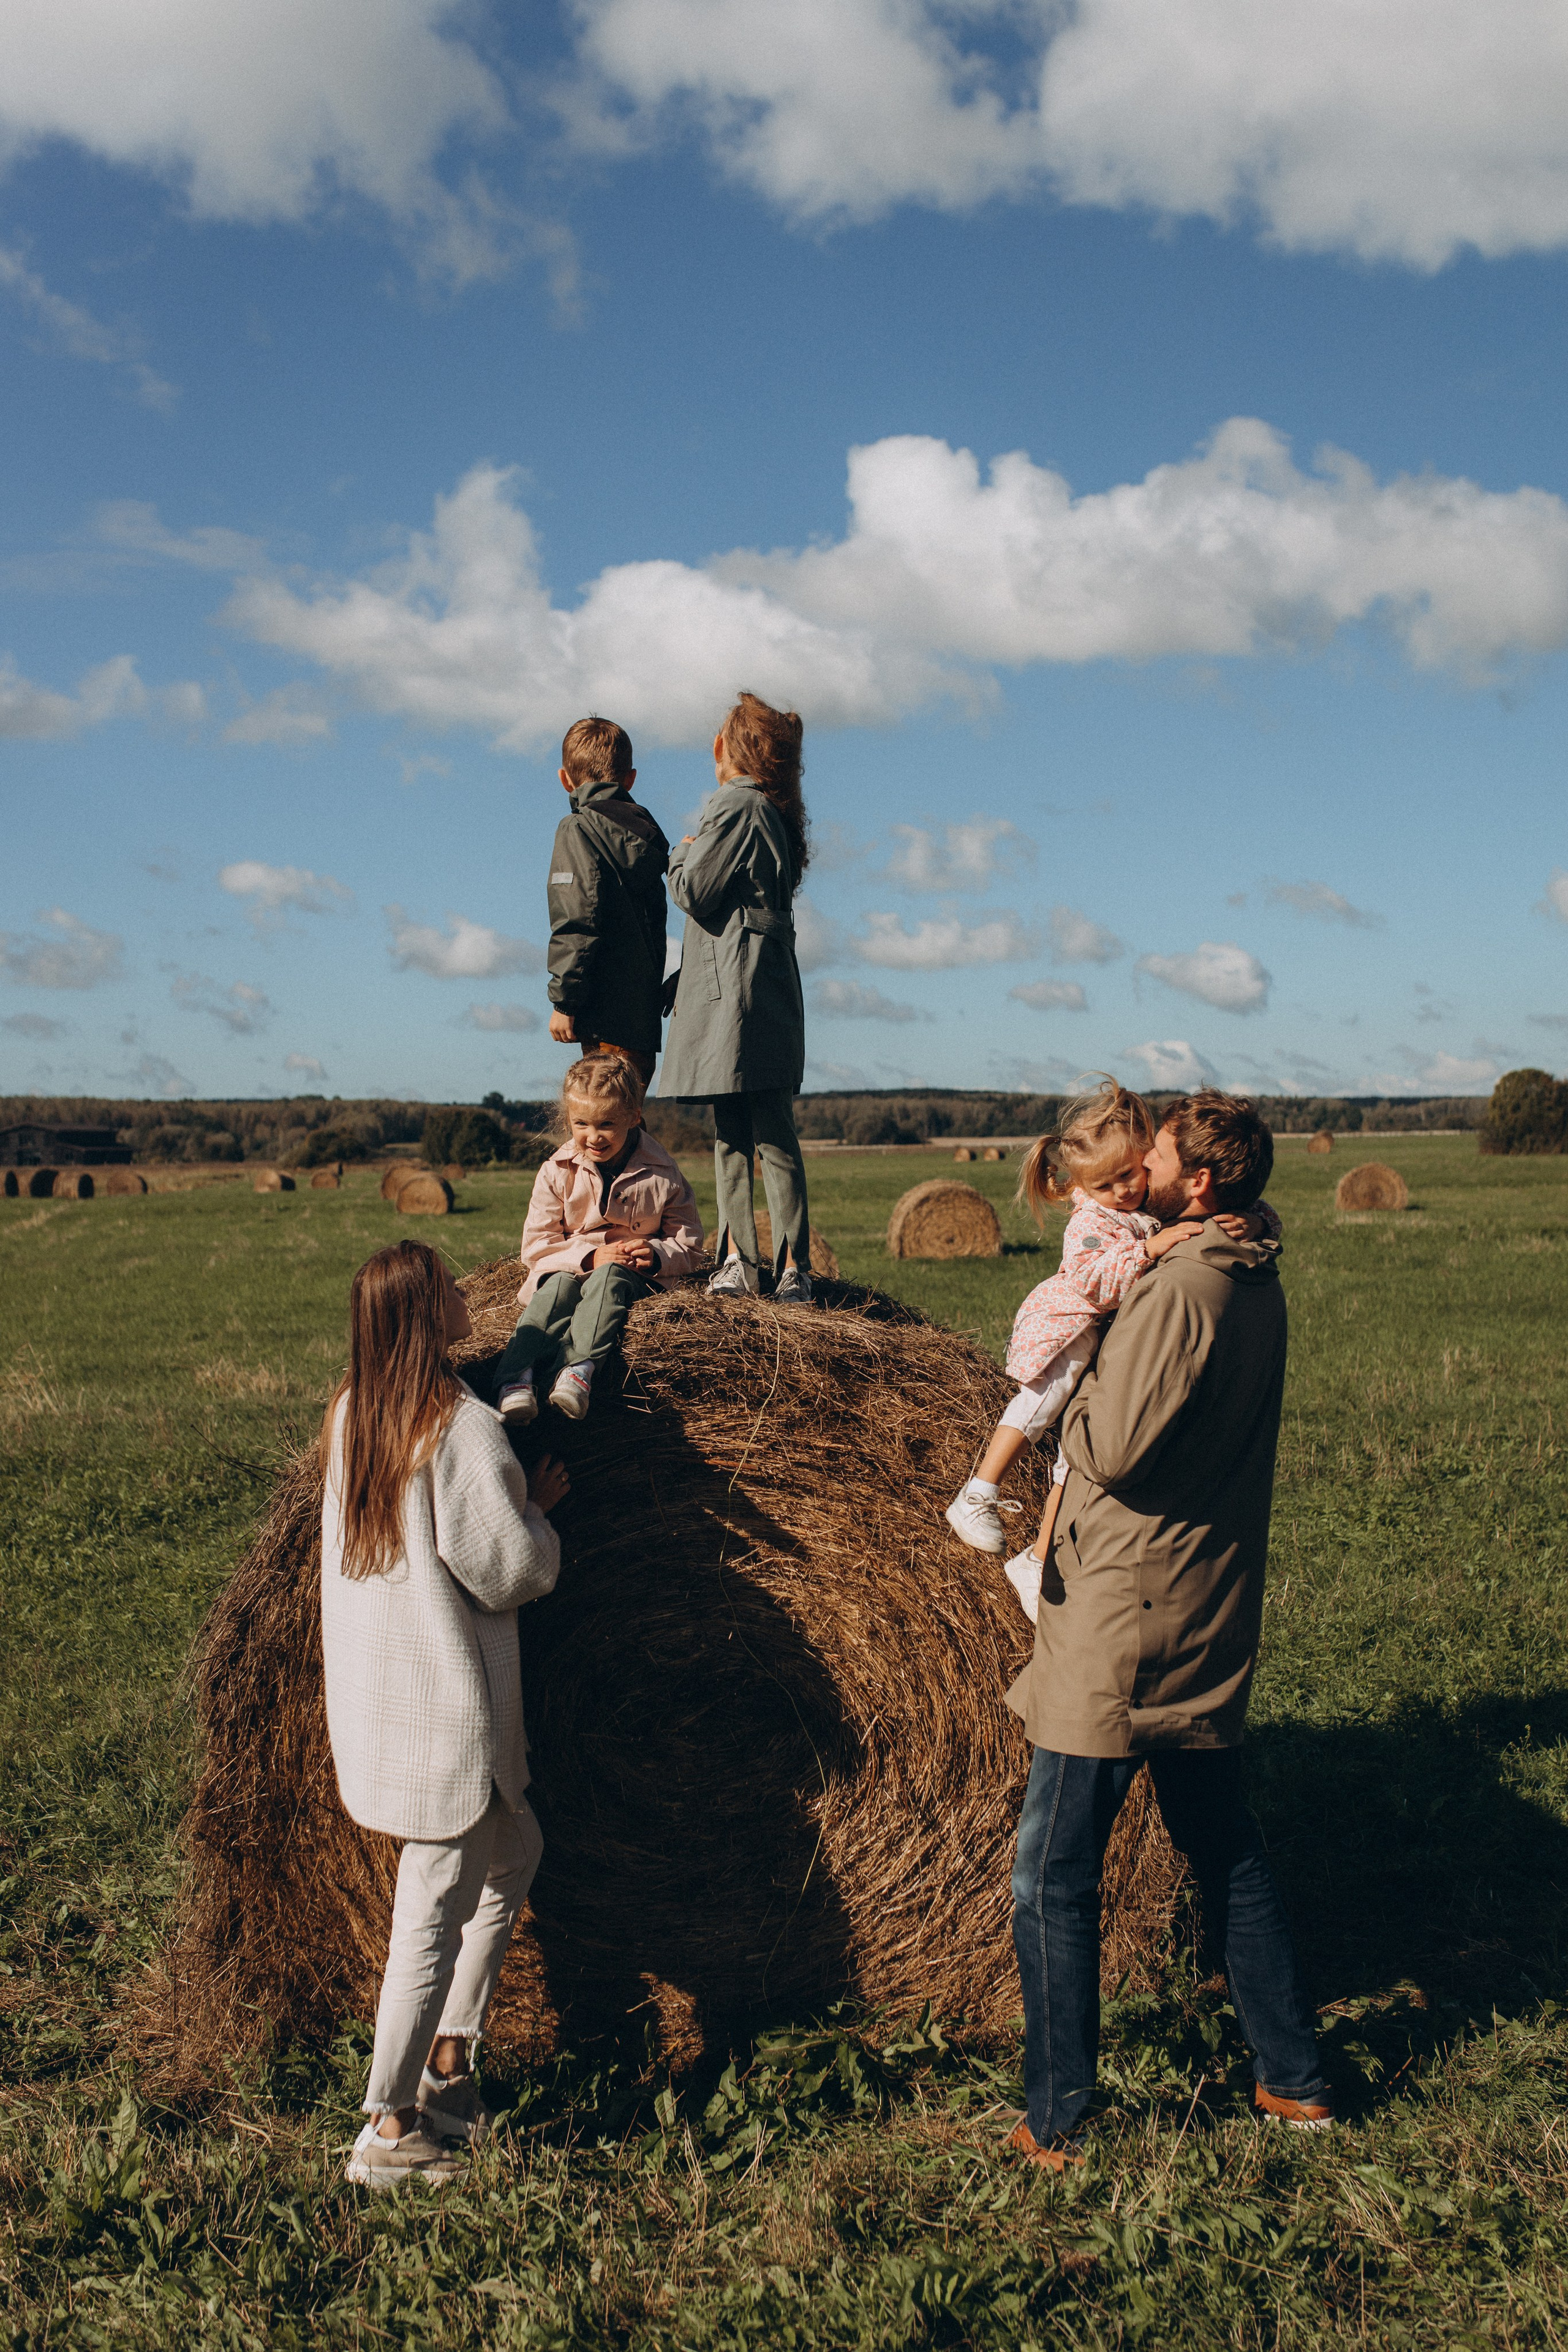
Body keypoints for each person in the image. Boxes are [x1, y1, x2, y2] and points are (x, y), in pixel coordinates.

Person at [1005, 1090, 1331, 2172]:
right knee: (1225, 1849)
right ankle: (1292, 2079)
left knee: (1052, 1871)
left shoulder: (1184, 1287)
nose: (1137, 1159)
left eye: (1157, 1151)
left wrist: (1081, 1369)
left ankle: (1057, 2114)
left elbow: (1112, 1448)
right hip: (1201, 1601)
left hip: (1126, 1620)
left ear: (1197, 1180)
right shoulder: (1248, 1273)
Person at [319, 1238, 570, 2190]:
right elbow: (510, 1570)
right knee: (428, 1919)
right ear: (428, 1318)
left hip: (387, 1702)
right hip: (451, 1710)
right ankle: (388, 2127)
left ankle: (451, 2068)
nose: (471, 1297)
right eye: (449, 1292)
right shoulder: (459, 1428)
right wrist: (538, 1511)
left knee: (517, 1852)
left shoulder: (354, 1416)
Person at [945, 1079, 1278, 1622]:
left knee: (1066, 1470)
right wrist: (1149, 1248)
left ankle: (1037, 1558)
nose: (1128, 1187)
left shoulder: (1155, 1199)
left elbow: (1242, 1201)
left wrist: (1259, 1223)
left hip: (1104, 1333)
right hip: (1068, 1326)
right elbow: (1093, 1282)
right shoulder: (1091, 1220)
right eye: (1108, 1183)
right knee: (1041, 1403)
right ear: (1083, 1186)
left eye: (1135, 1171)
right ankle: (980, 1490)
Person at [659, 691, 813, 1305]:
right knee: (767, 1131)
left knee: (737, 1133)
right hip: (761, 983)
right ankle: (783, 1266)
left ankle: (746, 1263)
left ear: (726, 747)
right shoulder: (771, 810)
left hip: (738, 995)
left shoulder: (734, 803)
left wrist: (683, 847)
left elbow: (695, 890)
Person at [494, 1052, 704, 1425]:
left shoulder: (664, 1173)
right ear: (568, 1120)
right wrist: (588, 1258)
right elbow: (537, 1247)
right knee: (555, 1289)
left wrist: (655, 1254)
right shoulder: (555, 1172)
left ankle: (578, 1371)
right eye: (582, 1124)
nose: (594, 1136)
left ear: (634, 1117)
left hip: (633, 1275)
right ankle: (516, 1379)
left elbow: (689, 1245)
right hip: (567, 1267)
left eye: (607, 1124)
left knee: (609, 1280)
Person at [546, 716, 670, 1091]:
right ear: (630, 779)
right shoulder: (646, 837)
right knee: (626, 1124)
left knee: (605, 1134)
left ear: (565, 779)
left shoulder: (578, 829)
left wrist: (564, 1001)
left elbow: (578, 918)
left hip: (602, 1015)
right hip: (642, 1018)